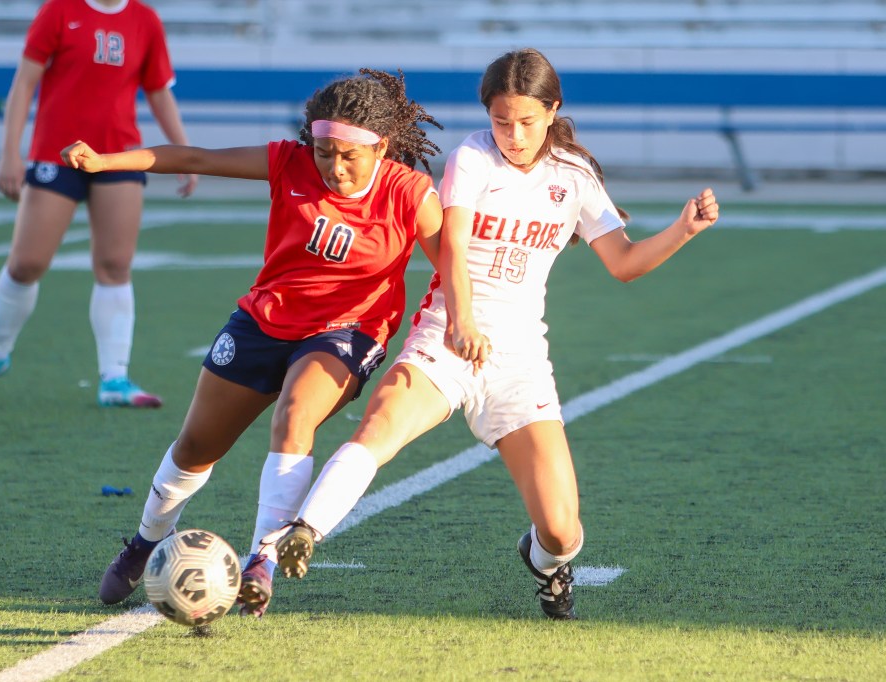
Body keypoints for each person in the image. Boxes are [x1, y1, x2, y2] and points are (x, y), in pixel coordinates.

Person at [272, 48, 720, 620]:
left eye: (527, 121)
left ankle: (546, 564)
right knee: (379, 426)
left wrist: (684, 229)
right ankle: (304, 530)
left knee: (561, 530)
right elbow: (453, 245)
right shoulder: (472, 158)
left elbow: (624, 263)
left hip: (519, 360)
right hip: (448, 335)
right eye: (501, 120)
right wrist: (462, 320)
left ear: (553, 110)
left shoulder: (574, 176)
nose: (513, 134)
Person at [62, 68, 444, 617]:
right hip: (265, 320)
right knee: (195, 447)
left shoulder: (410, 194)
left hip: (348, 330)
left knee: (295, 414)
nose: (334, 167)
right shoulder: (288, 161)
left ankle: (261, 561)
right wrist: (105, 162)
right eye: (324, 152)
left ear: (380, 147)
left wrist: (469, 320)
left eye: (349, 156)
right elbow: (196, 158)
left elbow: (453, 267)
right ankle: (145, 543)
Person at [0, 0, 197, 407]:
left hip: (118, 156)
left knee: (115, 265)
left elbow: (158, 92)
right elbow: (24, 84)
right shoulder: (59, 11)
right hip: (56, 155)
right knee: (26, 263)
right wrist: (10, 153)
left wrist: (183, 153)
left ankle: (114, 378)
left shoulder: (145, 20)